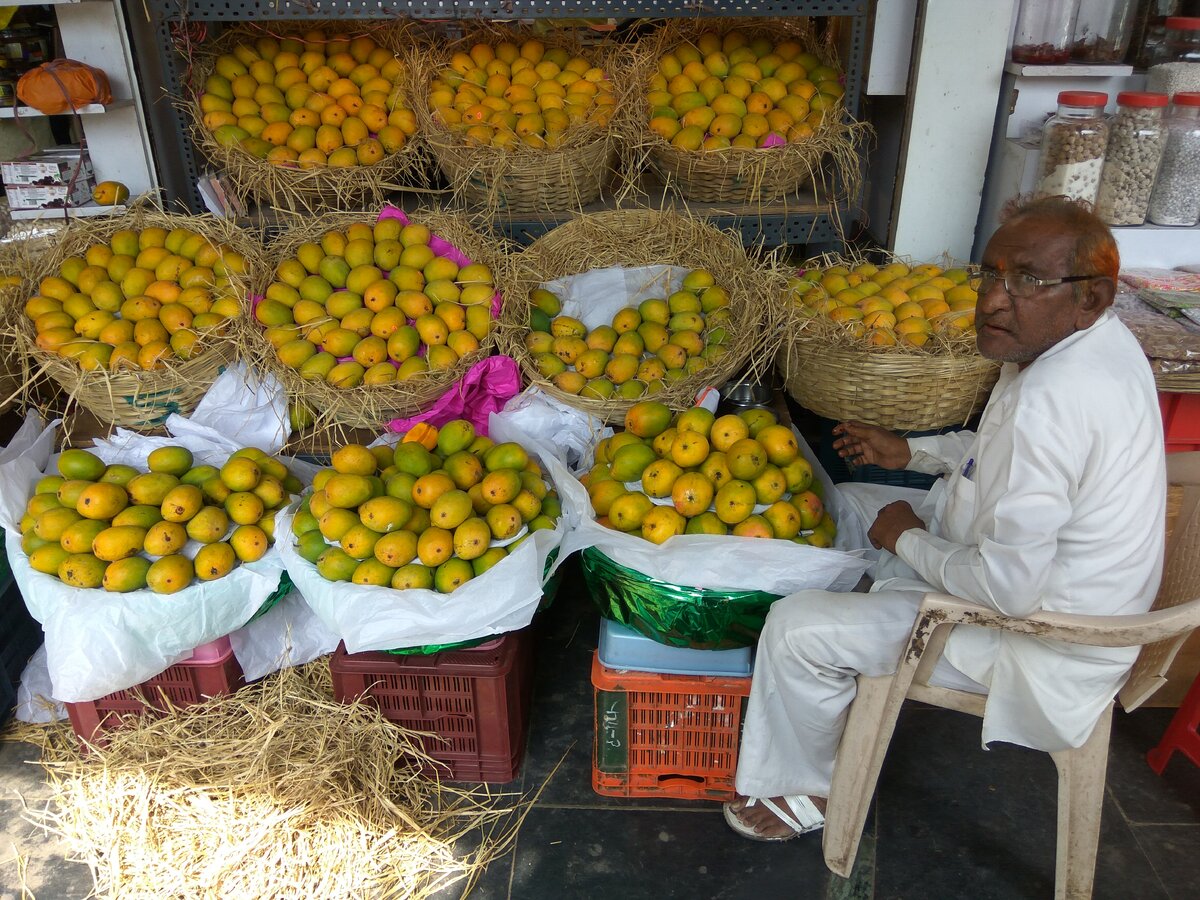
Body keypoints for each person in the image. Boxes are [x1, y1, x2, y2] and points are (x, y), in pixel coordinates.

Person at [725, 196, 1166, 841]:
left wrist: (904, 538)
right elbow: (1006, 464)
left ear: (1092, 296)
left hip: (1042, 643)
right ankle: (853, 646)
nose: (993, 299)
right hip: (1057, 591)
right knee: (847, 503)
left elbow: (1009, 592)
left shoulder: (1055, 397)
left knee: (796, 627)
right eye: (990, 274)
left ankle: (805, 787)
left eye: (1029, 282)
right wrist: (913, 451)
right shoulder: (1088, 345)